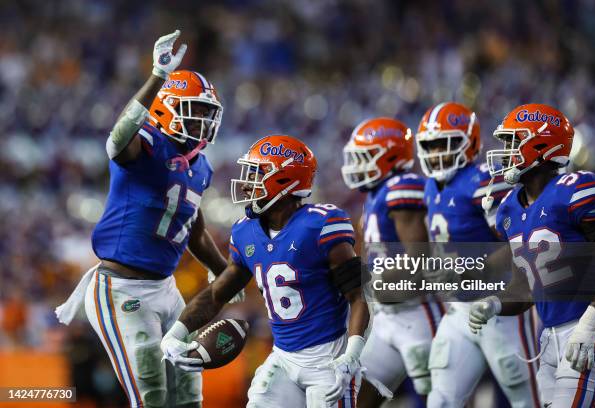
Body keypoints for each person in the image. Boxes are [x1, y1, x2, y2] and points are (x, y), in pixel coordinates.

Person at [56, 30, 239, 408]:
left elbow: (193, 226)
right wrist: (157, 76)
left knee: (188, 395)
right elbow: (117, 140)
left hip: (165, 289)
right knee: (152, 395)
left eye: (207, 113)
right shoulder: (146, 145)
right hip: (120, 288)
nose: (203, 120)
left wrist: (224, 272)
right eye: (195, 110)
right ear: (165, 108)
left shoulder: (199, 165)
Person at [160, 135, 385, 407]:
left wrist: (351, 354)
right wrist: (177, 332)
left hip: (328, 360)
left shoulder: (321, 225)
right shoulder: (245, 232)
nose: (246, 185)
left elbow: (359, 296)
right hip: (283, 357)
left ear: (284, 180)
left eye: (255, 174)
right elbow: (218, 293)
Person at [469, 103, 595, 407]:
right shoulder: (508, 208)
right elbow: (526, 287)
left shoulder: (576, 189)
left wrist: (591, 320)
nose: (505, 152)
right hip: (548, 339)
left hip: (593, 325)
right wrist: (494, 304)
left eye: (512, 142)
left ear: (541, 145)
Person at [415, 101, 540, 407]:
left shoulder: (484, 181)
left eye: (445, 145)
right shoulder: (431, 187)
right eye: (430, 146)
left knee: (526, 399)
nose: (436, 154)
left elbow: (518, 246)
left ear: (468, 143)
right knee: (441, 400)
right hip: (457, 310)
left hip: (498, 307)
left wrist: (474, 269)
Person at [341, 117, 444, 406]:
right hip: (389, 318)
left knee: (440, 398)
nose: (357, 164)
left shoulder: (402, 186)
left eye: (365, 157)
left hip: (420, 314)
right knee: (355, 398)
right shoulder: (376, 194)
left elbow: (421, 260)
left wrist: (376, 286)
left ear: (389, 156)